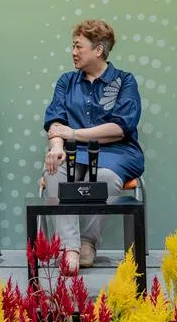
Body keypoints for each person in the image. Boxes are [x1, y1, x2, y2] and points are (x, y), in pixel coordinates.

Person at [41, 20, 144, 275]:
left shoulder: (124, 81)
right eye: (72, 46)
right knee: (54, 170)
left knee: (105, 176)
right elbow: (55, 121)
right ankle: (70, 248)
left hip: (117, 152)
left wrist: (74, 133)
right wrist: (56, 146)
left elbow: (119, 128)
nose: (73, 52)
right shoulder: (66, 81)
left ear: (98, 50)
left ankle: (88, 242)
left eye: (78, 47)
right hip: (75, 152)